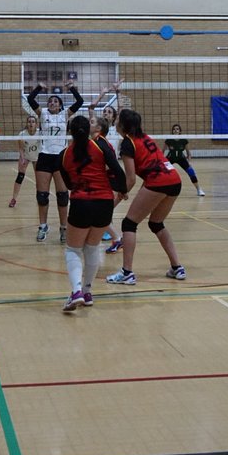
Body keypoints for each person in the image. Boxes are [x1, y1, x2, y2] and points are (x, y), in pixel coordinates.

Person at [106, 109, 186, 285]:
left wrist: (117, 199)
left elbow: (131, 179)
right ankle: (177, 267)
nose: (115, 121)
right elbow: (151, 168)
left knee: (129, 224)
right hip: (174, 180)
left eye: (118, 119)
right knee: (156, 223)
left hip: (159, 181)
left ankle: (127, 273)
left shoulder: (127, 143)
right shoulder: (146, 138)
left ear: (123, 125)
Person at [59, 116, 127, 311]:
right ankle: (87, 292)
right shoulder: (101, 147)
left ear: (70, 131)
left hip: (81, 203)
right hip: (104, 203)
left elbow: (68, 183)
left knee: (73, 250)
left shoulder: (63, 155)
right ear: (88, 130)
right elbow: (118, 171)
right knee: (91, 248)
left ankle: (76, 292)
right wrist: (122, 190)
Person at [27, 82, 84, 243]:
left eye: (55, 101)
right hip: (44, 156)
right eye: (50, 101)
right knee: (42, 195)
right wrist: (39, 87)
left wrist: (72, 88)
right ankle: (42, 226)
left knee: (62, 196)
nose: (52, 103)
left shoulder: (65, 114)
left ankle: (64, 228)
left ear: (60, 105)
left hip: (61, 157)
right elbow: (30, 99)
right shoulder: (42, 113)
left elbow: (79, 101)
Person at [92, 117, 124, 253]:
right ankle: (114, 238)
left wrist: (123, 188)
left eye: (92, 122)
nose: (89, 123)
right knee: (98, 213)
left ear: (98, 128)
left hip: (110, 183)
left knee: (99, 213)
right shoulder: (96, 142)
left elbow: (112, 165)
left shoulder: (101, 143)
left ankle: (117, 239)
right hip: (106, 183)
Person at [165, 123, 206, 197]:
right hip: (170, 158)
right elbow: (161, 152)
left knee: (191, 172)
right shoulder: (168, 140)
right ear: (172, 131)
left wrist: (189, 162)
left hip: (181, 158)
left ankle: (199, 189)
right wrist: (161, 162)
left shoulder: (183, 140)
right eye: (174, 129)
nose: (175, 130)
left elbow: (188, 153)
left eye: (177, 129)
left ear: (180, 131)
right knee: (160, 172)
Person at [9, 115, 41, 207]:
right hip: (26, 156)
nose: (31, 123)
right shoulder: (22, 134)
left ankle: (39, 197)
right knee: (20, 176)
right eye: (29, 121)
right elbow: (21, 148)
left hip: (37, 157)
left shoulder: (40, 133)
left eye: (33, 122)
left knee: (39, 179)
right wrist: (22, 158)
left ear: (36, 124)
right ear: (26, 123)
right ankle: (14, 199)